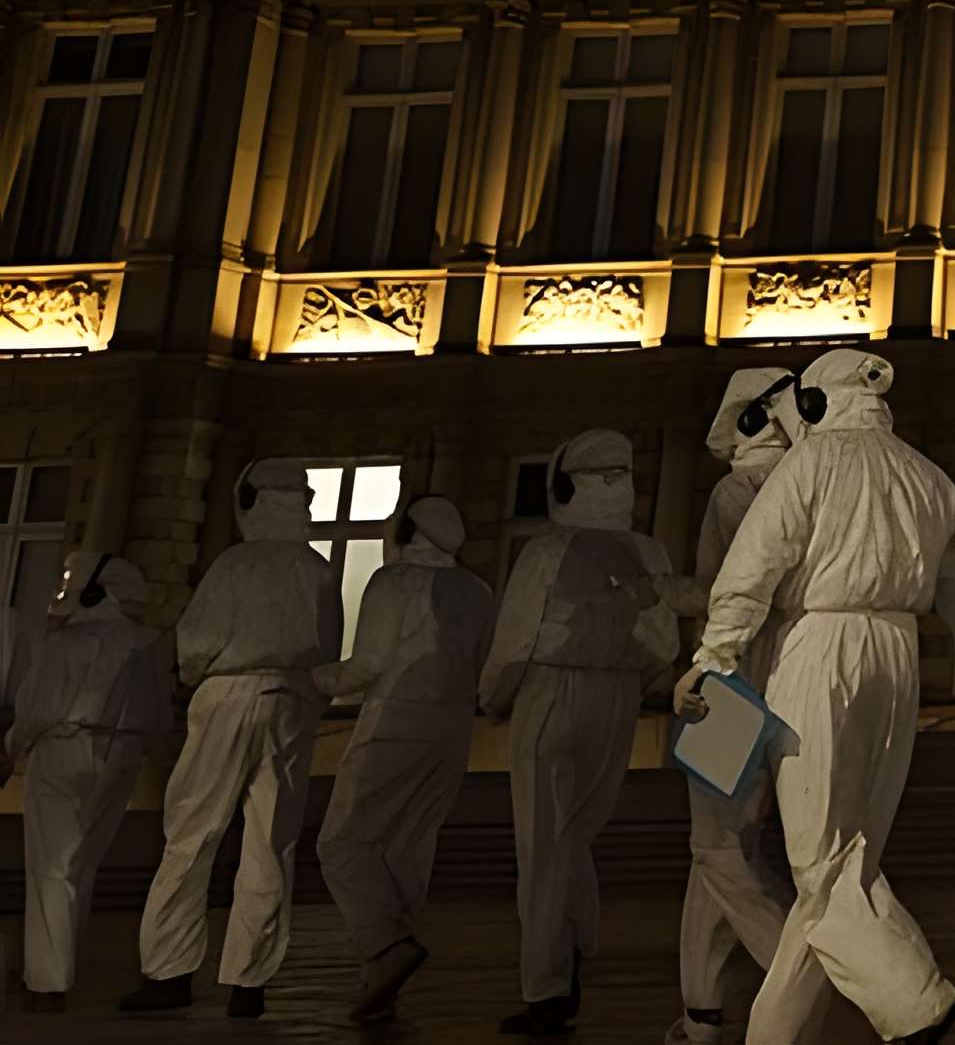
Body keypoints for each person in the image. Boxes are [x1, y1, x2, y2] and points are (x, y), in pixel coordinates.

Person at [678, 346, 955, 1045]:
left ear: (812, 402)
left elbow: (750, 569)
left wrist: (712, 658)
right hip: (898, 655)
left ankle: (922, 1007)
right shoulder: (927, 475)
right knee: (845, 859)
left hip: (819, 648)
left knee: (820, 859)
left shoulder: (809, 463)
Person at [123, 455, 341, 1016]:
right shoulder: (318, 569)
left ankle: (169, 972)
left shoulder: (235, 564)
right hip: (293, 700)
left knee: (193, 833)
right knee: (270, 841)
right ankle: (250, 980)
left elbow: (195, 643)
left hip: (228, 694)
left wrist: (194, 676)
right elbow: (327, 650)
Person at [483, 430, 681, 1036]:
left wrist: (493, 698)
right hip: (617, 693)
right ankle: (573, 949)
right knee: (575, 832)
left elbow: (516, 638)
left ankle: (548, 983)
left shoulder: (546, 550)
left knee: (543, 840)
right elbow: (663, 644)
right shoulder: (648, 551)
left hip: (551, 689)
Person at [316, 493, 495, 1024]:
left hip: (396, 719)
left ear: (406, 532)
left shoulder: (392, 581)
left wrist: (313, 678)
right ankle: (383, 980)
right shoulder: (478, 590)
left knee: (342, 842)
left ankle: (386, 947)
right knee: (408, 848)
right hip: (453, 727)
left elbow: (368, 664)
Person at [673, 368, 805, 1045]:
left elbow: (730, 586)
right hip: (793, 676)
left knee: (714, 845)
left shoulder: (739, 489)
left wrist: (673, 596)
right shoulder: (808, 478)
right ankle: (700, 1009)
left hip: (730, 682)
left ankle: (800, 971)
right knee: (729, 847)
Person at [11, 550, 174, 1012]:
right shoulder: (147, 644)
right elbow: (160, 715)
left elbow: (37, 709)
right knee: (82, 863)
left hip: (63, 749)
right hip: (122, 755)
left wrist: (11, 747)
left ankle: (48, 983)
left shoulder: (67, 641)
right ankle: (62, 962)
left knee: (52, 867)